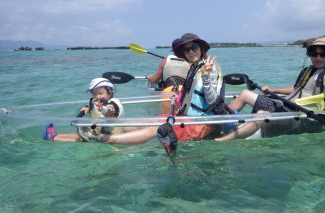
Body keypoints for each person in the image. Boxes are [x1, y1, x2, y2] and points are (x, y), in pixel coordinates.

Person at [77, 33, 226, 144]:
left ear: (201, 48)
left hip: (200, 123)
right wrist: (177, 95)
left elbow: (212, 99)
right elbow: (193, 93)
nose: (190, 52)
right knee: (144, 121)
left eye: (193, 47)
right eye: (186, 50)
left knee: (154, 129)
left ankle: (104, 139)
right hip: (185, 116)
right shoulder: (193, 68)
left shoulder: (210, 69)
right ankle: (100, 131)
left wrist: (206, 75)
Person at [216, 37, 325, 140]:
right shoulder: (307, 70)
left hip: (302, 118)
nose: (317, 57)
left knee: (262, 114)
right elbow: (296, 89)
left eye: (323, 54)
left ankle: (219, 141)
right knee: (245, 93)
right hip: (285, 108)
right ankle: (215, 125)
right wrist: (274, 90)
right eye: (314, 54)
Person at [43, 78, 124, 142]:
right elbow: (93, 104)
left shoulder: (114, 103)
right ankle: (54, 135)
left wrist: (102, 108)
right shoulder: (95, 101)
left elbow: (110, 111)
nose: (97, 96)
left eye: (101, 93)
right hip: (98, 131)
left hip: (109, 135)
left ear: (110, 92)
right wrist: (88, 107)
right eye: (94, 94)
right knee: (81, 133)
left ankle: (53, 138)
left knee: (82, 138)